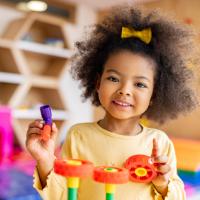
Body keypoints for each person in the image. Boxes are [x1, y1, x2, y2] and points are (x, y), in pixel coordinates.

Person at [26, 5, 199, 200]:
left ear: (154, 95)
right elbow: (62, 195)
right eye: (114, 79)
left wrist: (162, 183)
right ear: (98, 83)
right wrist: (45, 159)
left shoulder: (159, 143)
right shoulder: (78, 136)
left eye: (140, 84)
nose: (124, 90)